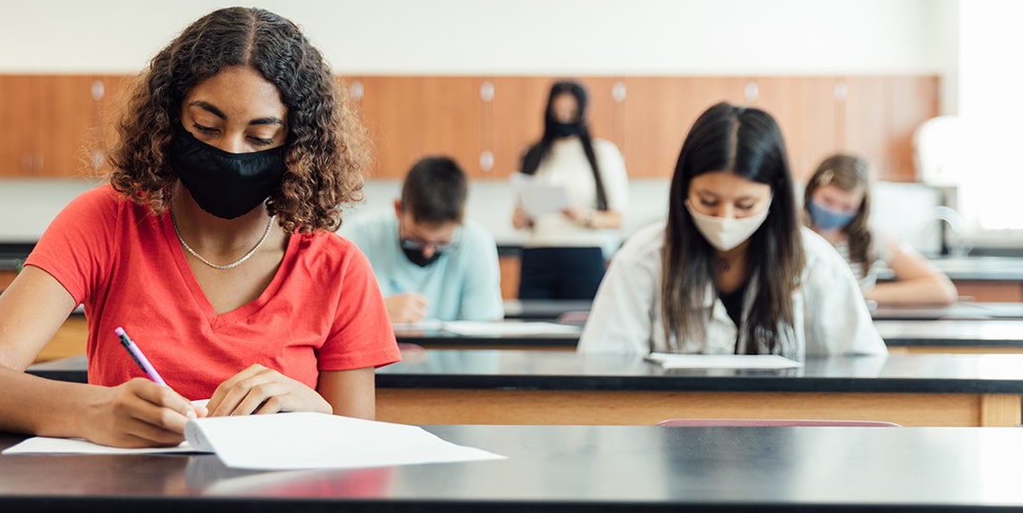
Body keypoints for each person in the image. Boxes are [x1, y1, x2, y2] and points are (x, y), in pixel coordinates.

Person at [0, 7, 401, 447]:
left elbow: (358, 448)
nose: (232, 152)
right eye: (206, 127)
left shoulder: (338, 269)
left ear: (298, 144)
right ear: (169, 119)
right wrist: (93, 409)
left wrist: (314, 410)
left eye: (260, 137)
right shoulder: (106, 221)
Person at [578, 102, 886, 359]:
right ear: (684, 188)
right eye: (708, 201)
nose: (725, 218)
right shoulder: (642, 258)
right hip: (667, 428)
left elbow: (862, 367)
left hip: (787, 429)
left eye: (745, 204)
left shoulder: (817, 263)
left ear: (774, 193)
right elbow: (605, 369)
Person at [340, 156, 503, 323]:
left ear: (458, 222)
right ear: (398, 209)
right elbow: (326, 317)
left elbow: (486, 331)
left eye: (441, 244)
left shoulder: (476, 244)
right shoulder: (358, 237)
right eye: (416, 240)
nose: (428, 252)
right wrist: (375, 311)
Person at [511, 80, 629, 300]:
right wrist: (522, 218)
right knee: (532, 327)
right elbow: (516, 219)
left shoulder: (603, 153)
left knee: (582, 326)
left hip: (583, 256)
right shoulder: (532, 154)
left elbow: (617, 219)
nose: (564, 118)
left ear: (583, 113)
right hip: (538, 255)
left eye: (571, 112)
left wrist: (583, 216)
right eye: (558, 112)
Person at [804, 154, 957, 307]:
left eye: (847, 207)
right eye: (827, 201)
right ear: (812, 190)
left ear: (861, 207)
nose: (835, 211)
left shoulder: (873, 237)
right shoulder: (792, 230)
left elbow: (942, 290)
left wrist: (859, 294)